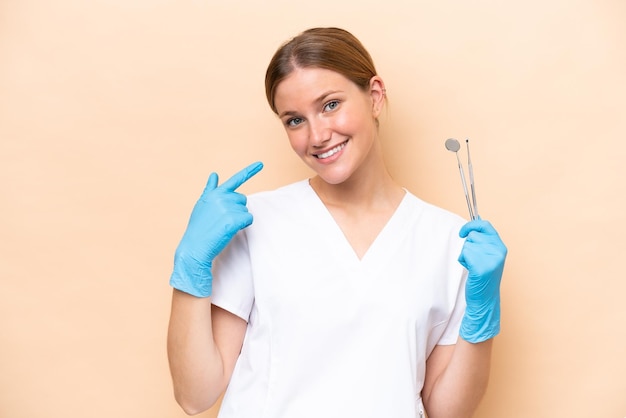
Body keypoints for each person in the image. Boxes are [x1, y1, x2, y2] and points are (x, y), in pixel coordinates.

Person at [167, 27, 507, 418]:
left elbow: (447, 411)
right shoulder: (253, 223)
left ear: (375, 96)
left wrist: (482, 316)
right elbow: (196, 396)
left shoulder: (450, 242)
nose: (318, 135)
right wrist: (190, 267)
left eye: (330, 105)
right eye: (294, 120)